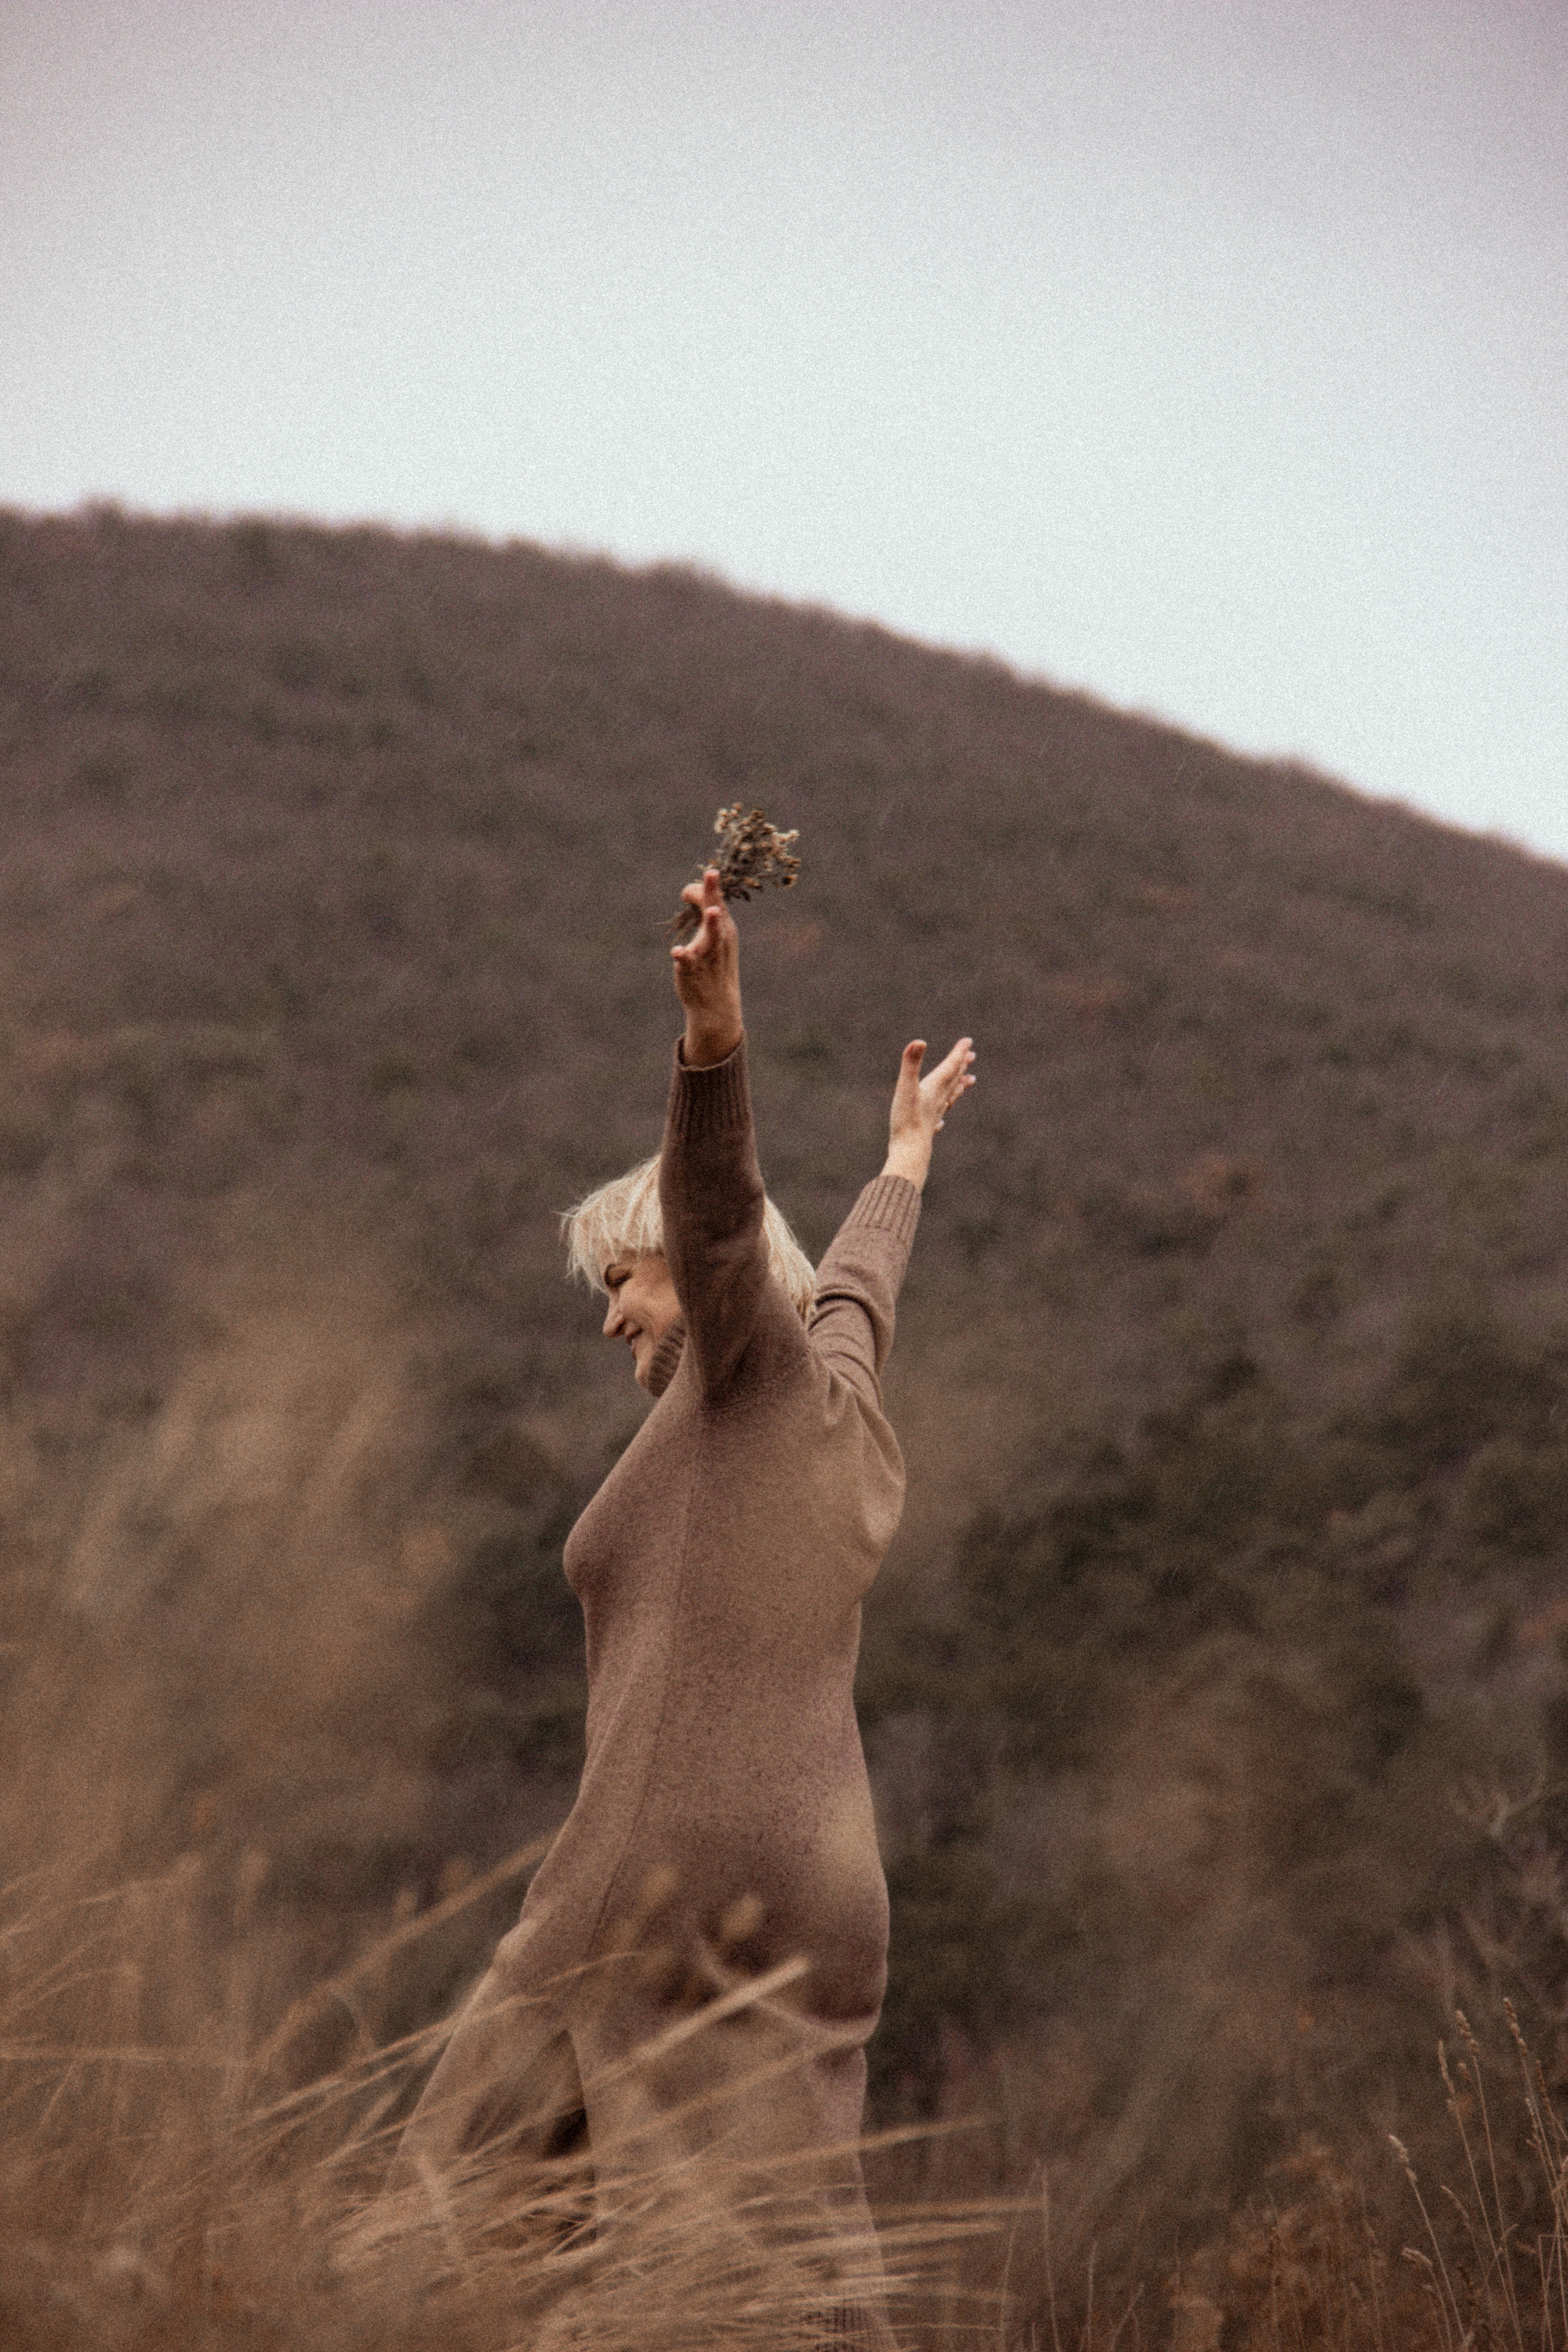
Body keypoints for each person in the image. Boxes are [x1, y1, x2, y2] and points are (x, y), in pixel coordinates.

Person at [388, 865, 975, 2340]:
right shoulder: (818, 1402)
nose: (612, 1314)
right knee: (756, 2257)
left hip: (654, 1866)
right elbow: (854, 1299)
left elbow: (723, 1222)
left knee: (428, 2222)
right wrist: (902, 1163)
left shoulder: (739, 1379)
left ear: (704, 1291)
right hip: (819, 1883)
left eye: (625, 1280)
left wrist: (711, 1045)